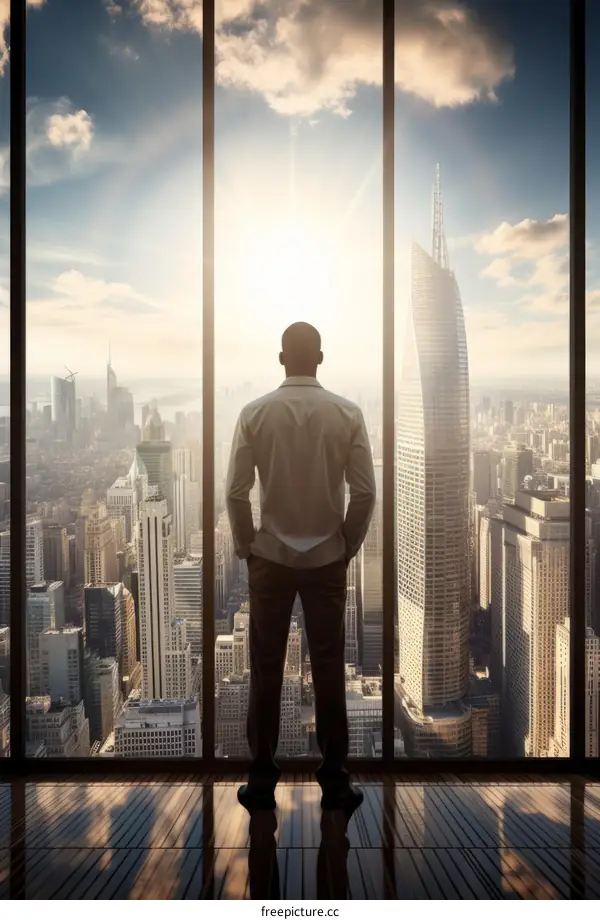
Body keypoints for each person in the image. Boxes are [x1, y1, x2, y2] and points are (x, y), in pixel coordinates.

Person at [226, 321, 376, 813]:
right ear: (321, 358)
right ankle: (334, 781)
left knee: (265, 670)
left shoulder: (253, 414)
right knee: (330, 669)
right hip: (327, 561)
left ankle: (262, 781)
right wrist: (346, 544)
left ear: (280, 358)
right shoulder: (348, 413)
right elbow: (365, 492)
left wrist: (248, 546)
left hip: (270, 559)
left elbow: (235, 492)